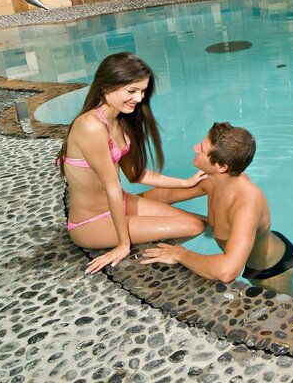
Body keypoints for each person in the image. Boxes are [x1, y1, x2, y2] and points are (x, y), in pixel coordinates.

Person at [58, 52, 206, 274]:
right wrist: (123, 244)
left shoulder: (119, 121)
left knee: (203, 222)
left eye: (142, 91)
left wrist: (185, 183)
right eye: (131, 91)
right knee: (193, 226)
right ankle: (147, 251)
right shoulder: (91, 126)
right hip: (92, 221)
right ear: (106, 87)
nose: (138, 98)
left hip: (122, 203)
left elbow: (135, 174)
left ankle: (149, 241)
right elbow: (111, 187)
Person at [140, 122, 293, 297]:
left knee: (290, 308)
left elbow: (227, 271)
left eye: (202, 149)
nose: (195, 148)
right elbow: (164, 196)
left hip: (270, 268)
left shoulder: (246, 204)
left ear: (221, 166)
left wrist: (180, 254)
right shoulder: (212, 179)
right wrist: (121, 203)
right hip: (249, 247)